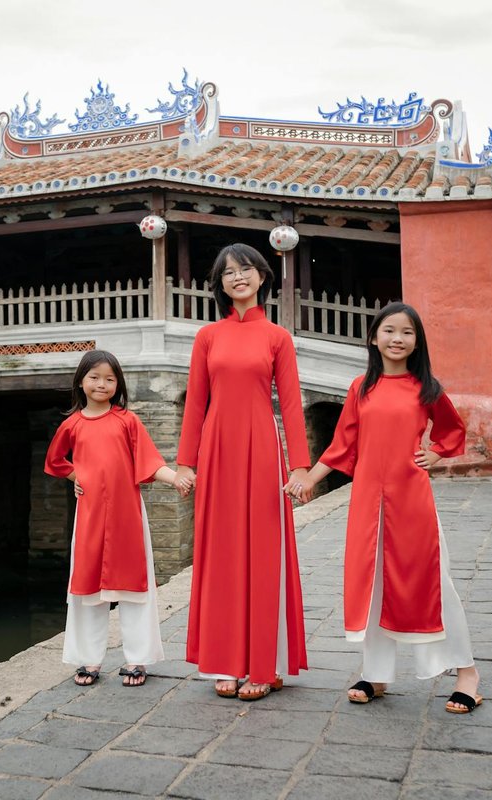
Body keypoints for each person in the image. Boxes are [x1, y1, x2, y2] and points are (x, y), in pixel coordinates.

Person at [293, 301, 481, 713]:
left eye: (407, 333)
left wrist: (436, 452)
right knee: (373, 583)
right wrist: (309, 478)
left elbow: (452, 429)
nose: (398, 339)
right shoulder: (361, 387)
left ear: (417, 342)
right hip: (367, 501)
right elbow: (344, 445)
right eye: (390, 331)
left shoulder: (426, 387)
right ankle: (376, 673)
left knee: (432, 583)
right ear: (374, 337)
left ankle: (467, 673)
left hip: (411, 499)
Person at [175, 242, 310, 701]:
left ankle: (264, 663)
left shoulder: (277, 337)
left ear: (262, 277)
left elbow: (291, 404)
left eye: (247, 268)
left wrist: (301, 468)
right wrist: (185, 464)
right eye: (228, 272)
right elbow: (195, 403)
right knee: (222, 554)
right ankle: (225, 660)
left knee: (263, 552)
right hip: (216, 449)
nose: (238, 276)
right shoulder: (207, 337)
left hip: (260, 447)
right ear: (219, 284)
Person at [45, 349, 187, 687]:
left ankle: (137, 660)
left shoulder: (128, 421)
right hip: (90, 517)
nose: (101, 384)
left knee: (134, 588)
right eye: (94, 377)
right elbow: (56, 461)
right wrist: (75, 476)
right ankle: (88, 660)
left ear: (118, 384)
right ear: (81, 381)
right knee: (86, 589)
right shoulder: (72, 424)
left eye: (110, 379)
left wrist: (176, 479)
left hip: (127, 518)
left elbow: (150, 463)